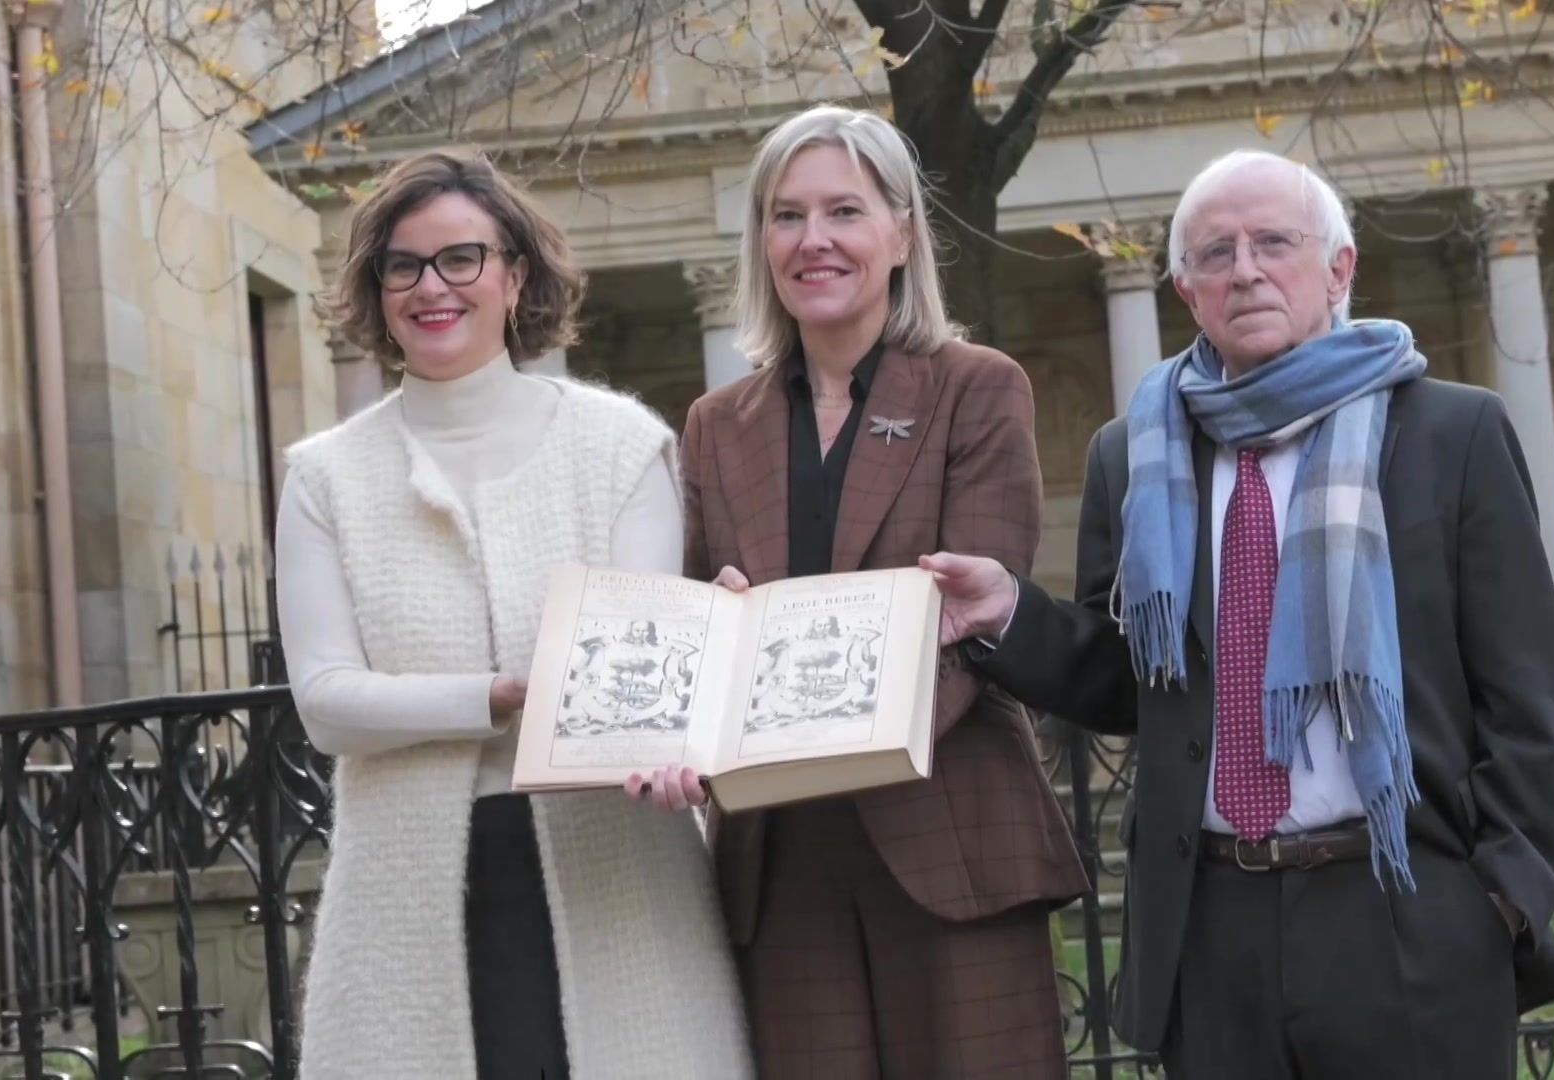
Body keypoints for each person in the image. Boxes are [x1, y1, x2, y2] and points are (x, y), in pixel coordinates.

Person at [920, 149, 1554, 1077]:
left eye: (1274, 242)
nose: (1246, 270)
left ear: (1338, 269)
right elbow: (1130, 679)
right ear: (1187, 290)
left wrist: (1498, 904)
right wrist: (1008, 615)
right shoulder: (1132, 455)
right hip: (1213, 926)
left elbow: (1527, 694)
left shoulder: (1452, 433)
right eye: (1216, 253)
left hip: (1405, 911)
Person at [628, 104, 1089, 1078]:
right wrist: (691, 702)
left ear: (902, 233)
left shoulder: (977, 388)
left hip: (949, 839)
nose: (815, 239)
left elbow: (971, 621)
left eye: (844, 210)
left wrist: (806, 730)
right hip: (782, 865)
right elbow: (696, 618)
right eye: (787, 215)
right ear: (762, 242)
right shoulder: (715, 424)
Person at [275, 150, 753, 1080]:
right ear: (376, 290)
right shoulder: (325, 478)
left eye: (462, 257)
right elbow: (327, 703)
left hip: (617, 876)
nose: (432, 287)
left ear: (516, 275)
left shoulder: (620, 447)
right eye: (403, 266)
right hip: (409, 898)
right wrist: (494, 695)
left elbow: (642, 671)